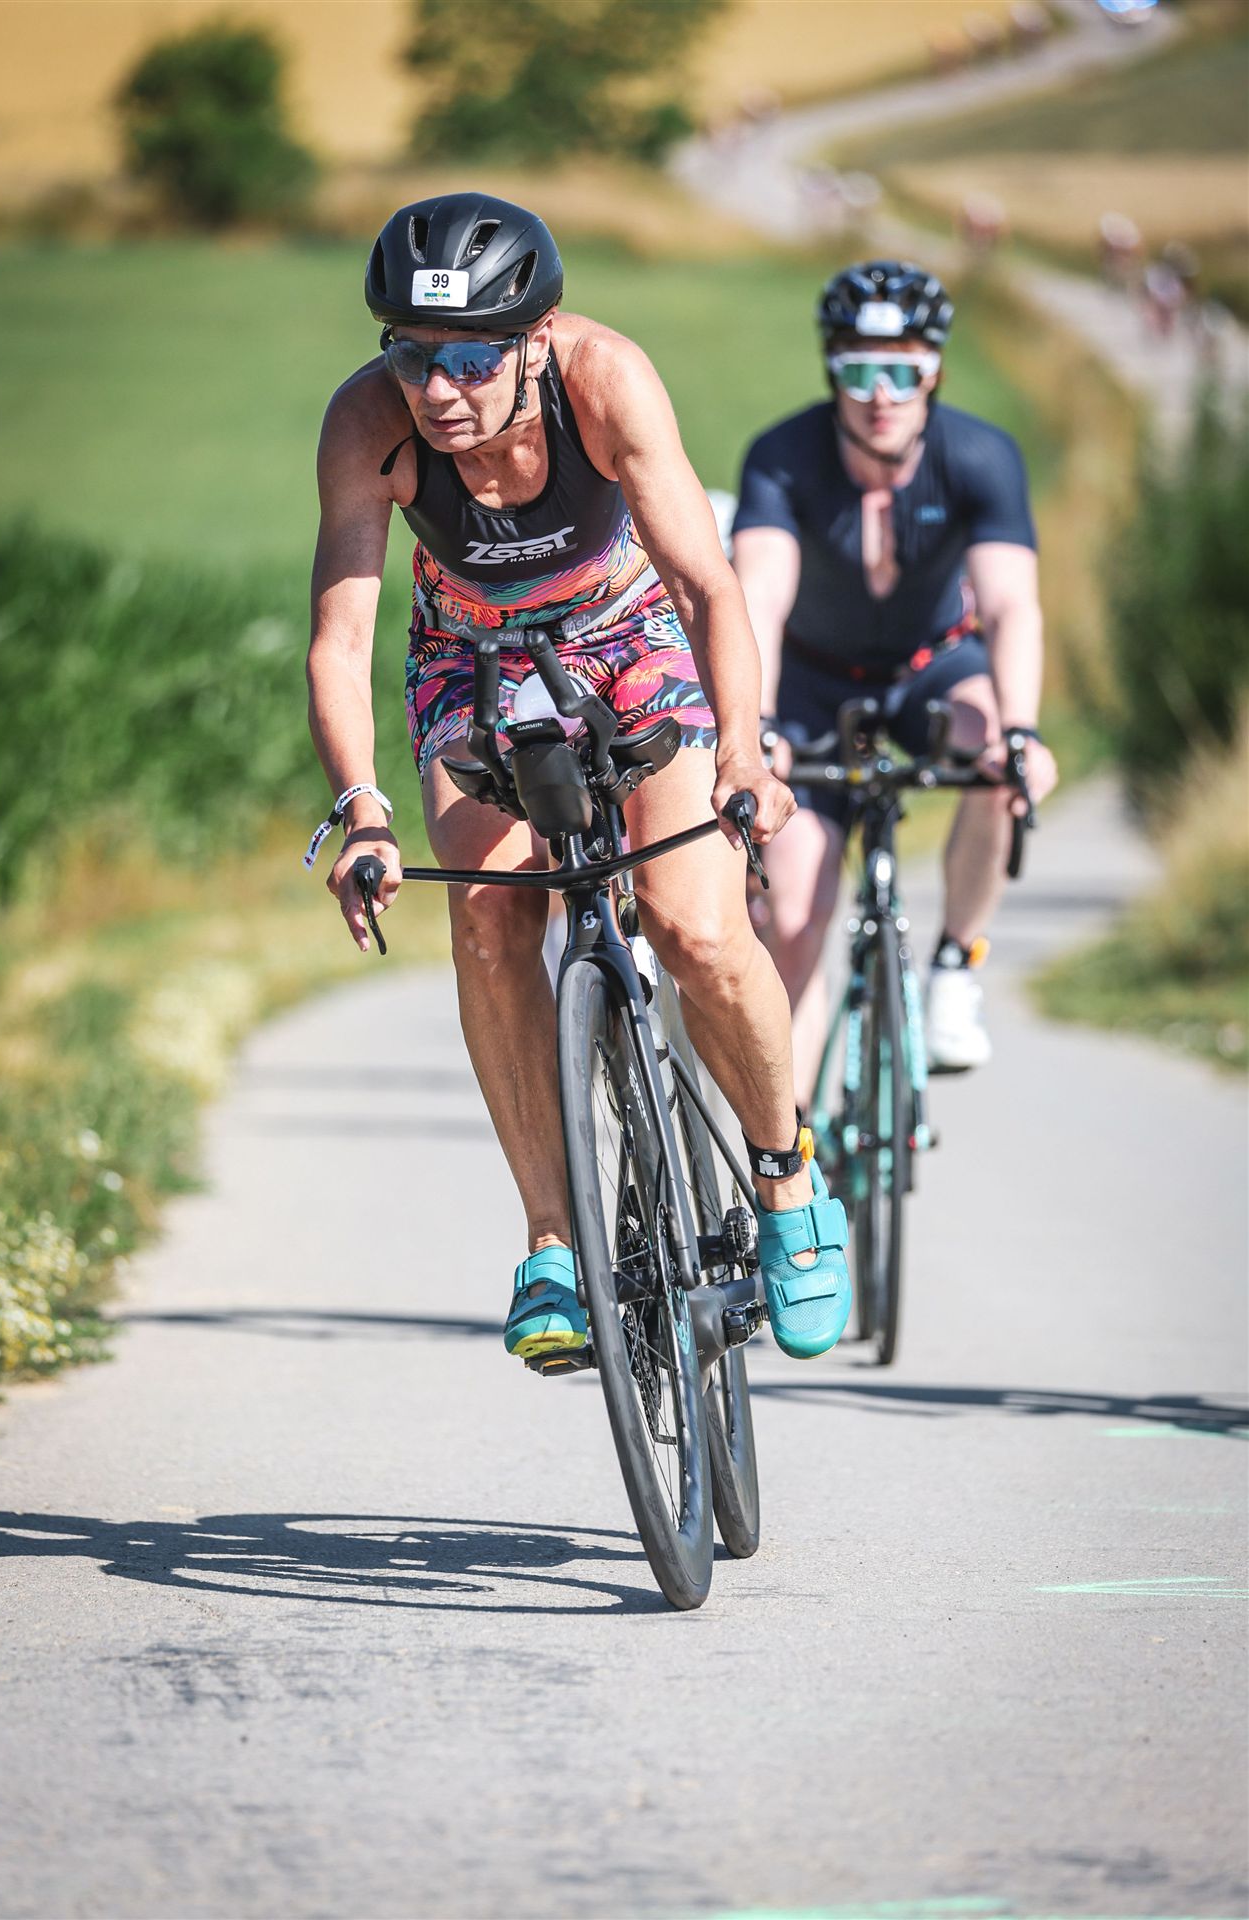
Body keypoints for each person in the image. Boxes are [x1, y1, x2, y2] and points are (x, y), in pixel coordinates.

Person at [305, 191, 850, 1364]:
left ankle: (788, 1184)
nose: (437, 389)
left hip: (628, 632)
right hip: (471, 651)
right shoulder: (366, 423)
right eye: (411, 354)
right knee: (488, 915)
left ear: (535, 339)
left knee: (693, 924)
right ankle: (552, 1241)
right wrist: (363, 813)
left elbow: (706, 587)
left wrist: (744, 754)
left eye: (469, 357)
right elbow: (340, 642)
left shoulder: (604, 380)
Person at [732, 260, 1059, 1102]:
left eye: (903, 372)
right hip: (810, 683)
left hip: (930, 668)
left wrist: (1021, 730)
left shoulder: (980, 456)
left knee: (997, 755)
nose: (880, 395)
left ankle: (954, 965)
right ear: (829, 369)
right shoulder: (782, 456)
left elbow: (1009, 606)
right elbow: (758, 595)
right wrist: (754, 725)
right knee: (793, 920)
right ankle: (788, 1141)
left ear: (935, 372)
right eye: (858, 371)